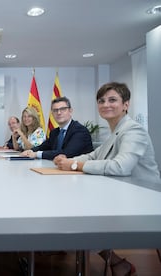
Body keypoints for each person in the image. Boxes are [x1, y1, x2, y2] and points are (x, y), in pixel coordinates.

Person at [54, 82, 160, 276]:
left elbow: (121, 166)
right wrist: (68, 161)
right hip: (121, 192)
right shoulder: (116, 131)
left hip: (143, 200)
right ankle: (115, 262)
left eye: (112, 100)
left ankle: (115, 263)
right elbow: (94, 156)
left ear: (126, 104)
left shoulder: (133, 130)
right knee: (72, 208)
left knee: (78, 214)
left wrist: (76, 165)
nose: (105, 104)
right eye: (101, 101)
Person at [20, 96, 93, 160]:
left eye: (63, 109)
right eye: (55, 110)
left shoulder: (80, 130)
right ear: (52, 114)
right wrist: (31, 151)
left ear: (70, 111)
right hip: (59, 169)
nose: (59, 113)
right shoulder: (54, 132)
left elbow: (67, 153)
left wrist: (37, 154)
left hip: (79, 172)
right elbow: (43, 146)